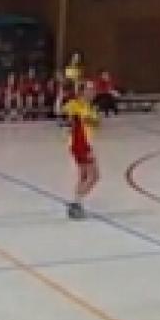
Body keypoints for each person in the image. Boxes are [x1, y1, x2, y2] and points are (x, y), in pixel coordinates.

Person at [62, 80, 101, 220]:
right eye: (89, 89)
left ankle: (77, 203)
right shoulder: (76, 104)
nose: (92, 92)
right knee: (94, 176)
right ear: (82, 91)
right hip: (80, 143)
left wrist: (92, 120)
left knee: (84, 176)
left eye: (93, 89)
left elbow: (96, 124)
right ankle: (76, 204)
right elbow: (62, 112)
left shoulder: (90, 107)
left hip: (85, 143)